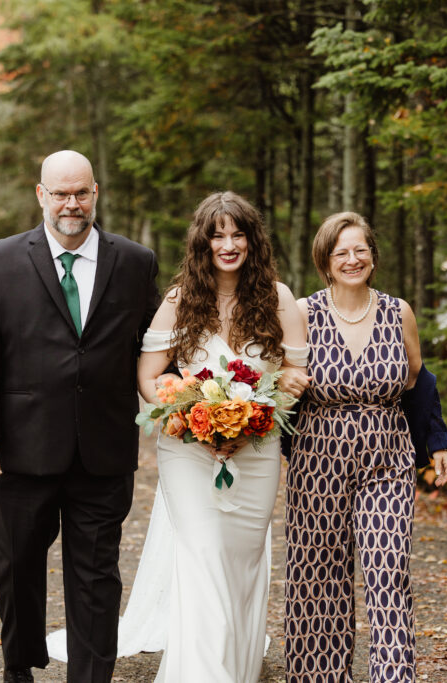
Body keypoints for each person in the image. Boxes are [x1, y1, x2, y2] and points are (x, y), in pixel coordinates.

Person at [0, 150, 160, 683]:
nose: (71, 203)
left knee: (96, 576)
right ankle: (18, 666)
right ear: (41, 195)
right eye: (61, 193)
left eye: (81, 192)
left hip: (104, 449)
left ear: (96, 194)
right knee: (17, 564)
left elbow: (159, 349)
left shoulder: (136, 262)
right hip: (22, 449)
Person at [133, 191, 309, 682]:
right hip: (188, 452)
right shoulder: (179, 302)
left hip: (257, 451)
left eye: (238, 234)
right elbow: (149, 378)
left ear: (253, 241)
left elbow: (297, 373)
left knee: (242, 559)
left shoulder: (279, 298)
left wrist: (259, 417)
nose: (228, 244)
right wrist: (189, 417)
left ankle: (238, 663)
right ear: (202, 243)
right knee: (204, 554)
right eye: (218, 235)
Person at [284, 211, 447, 683]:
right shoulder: (303, 312)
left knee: (388, 569)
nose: (352, 259)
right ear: (325, 260)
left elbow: (419, 381)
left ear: (373, 257)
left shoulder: (398, 312)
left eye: (360, 250)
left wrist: (436, 441)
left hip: (388, 456)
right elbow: (282, 383)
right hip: (318, 458)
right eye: (341, 252)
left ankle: (393, 676)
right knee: (318, 576)